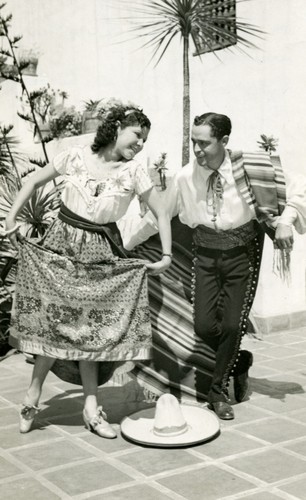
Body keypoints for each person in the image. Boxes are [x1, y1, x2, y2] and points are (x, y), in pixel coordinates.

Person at [121, 112, 306, 420]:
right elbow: (159, 217)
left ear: (224, 141)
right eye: (194, 142)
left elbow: (298, 187)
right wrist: (126, 248)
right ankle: (238, 361)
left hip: (241, 256)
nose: (197, 149)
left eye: (204, 143)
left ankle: (217, 392)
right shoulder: (184, 177)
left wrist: (286, 222)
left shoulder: (251, 167)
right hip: (203, 255)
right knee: (205, 326)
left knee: (232, 325)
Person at [4, 101, 172, 437]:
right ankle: (33, 395)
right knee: (52, 323)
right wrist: (11, 218)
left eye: (144, 140)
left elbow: (162, 211)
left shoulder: (134, 171)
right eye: (137, 135)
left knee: (90, 331)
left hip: (100, 253)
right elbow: (33, 181)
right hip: (60, 247)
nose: (140, 144)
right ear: (116, 129)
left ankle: (92, 410)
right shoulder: (76, 156)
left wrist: (167, 255)